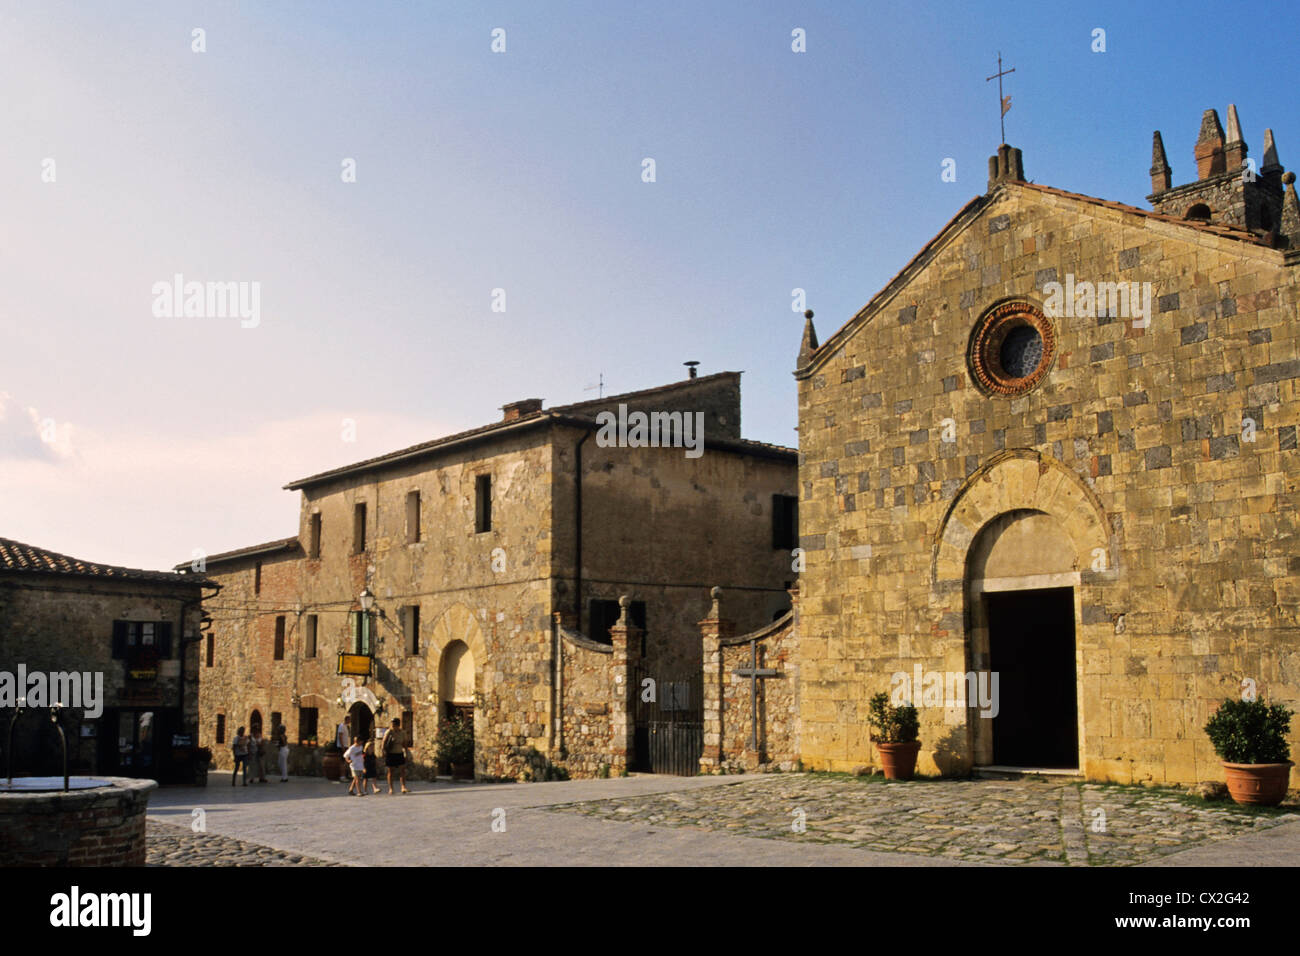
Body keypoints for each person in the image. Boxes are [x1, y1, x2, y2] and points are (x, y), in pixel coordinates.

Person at [382, 717, 410, 794]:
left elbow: (405, 744)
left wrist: (406, 753)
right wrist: (383, 752)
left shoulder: (403, 733)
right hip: (391, 753)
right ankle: (391, 788)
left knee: (402, 771)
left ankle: (403, 787)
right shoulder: (389, 732)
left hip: (399, 753)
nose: (393, 726)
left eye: (394, 724)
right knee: (390, 771)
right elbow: (384, 742)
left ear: (398, 725)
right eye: (392, 724)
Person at [333, 715, 350, 783]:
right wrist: (342, 746)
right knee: (342, 761)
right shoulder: (341, 726)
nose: (350, 721)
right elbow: (340, 736)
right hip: (341, 746)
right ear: (346, 720)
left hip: (345, 745)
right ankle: (342, 776)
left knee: (345, 761)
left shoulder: (346, 726)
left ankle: (345, 775)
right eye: (349, 720)